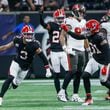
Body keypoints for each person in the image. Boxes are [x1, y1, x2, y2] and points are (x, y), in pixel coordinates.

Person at [61, 19, 110, 105]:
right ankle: (89, 98)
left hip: (104, 61)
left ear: (94, 29)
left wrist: (105, 66)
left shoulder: (100, 37)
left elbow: (107, 52)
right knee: (85, 75)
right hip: (95, 58)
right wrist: (67, 30)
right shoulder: (92, 34)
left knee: (103, 81)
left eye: (88, 29)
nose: (86, 30)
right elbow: (78, 36)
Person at [0, 25, 52, 106]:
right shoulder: (17, 40)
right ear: (22, 34)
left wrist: (47, 69)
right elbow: (5, 47)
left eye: (30, 34)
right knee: (10, 78)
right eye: (27, 34)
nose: (28, 36)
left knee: (14, 85)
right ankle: (0, 98)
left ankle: (13, 83)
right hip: (16, 62)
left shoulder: (35, 44)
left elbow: (42, 57)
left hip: (26, 68)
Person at [39, 8, 72, 102]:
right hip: (54, 52)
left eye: (62, 17)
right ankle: (59, 94)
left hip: (63, 51)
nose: (61, 19)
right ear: (55, 18)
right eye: (59, 17)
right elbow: (43, 25)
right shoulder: (52, 24)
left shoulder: (67, 25)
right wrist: (40, 16)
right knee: (56, 74)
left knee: (69, 72)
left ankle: (63, 91)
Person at [58, 4, 88, 102]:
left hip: (82, 50)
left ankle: (75, 95)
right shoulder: (69, 20)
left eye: (83, 12)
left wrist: (88, 49)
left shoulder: (84, 22)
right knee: (72, 71)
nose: (81, 14)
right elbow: (62, 35)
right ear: (75, 11)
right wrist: (65, 47)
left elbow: (85, 37)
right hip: (72, 48)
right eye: (80, 12)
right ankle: (61, 92)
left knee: (79, 73)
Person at [100, 9, 110, 100]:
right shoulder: (105, 23)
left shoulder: (104, 24)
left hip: (107, 49)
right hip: (107, 50)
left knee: (104, 79)